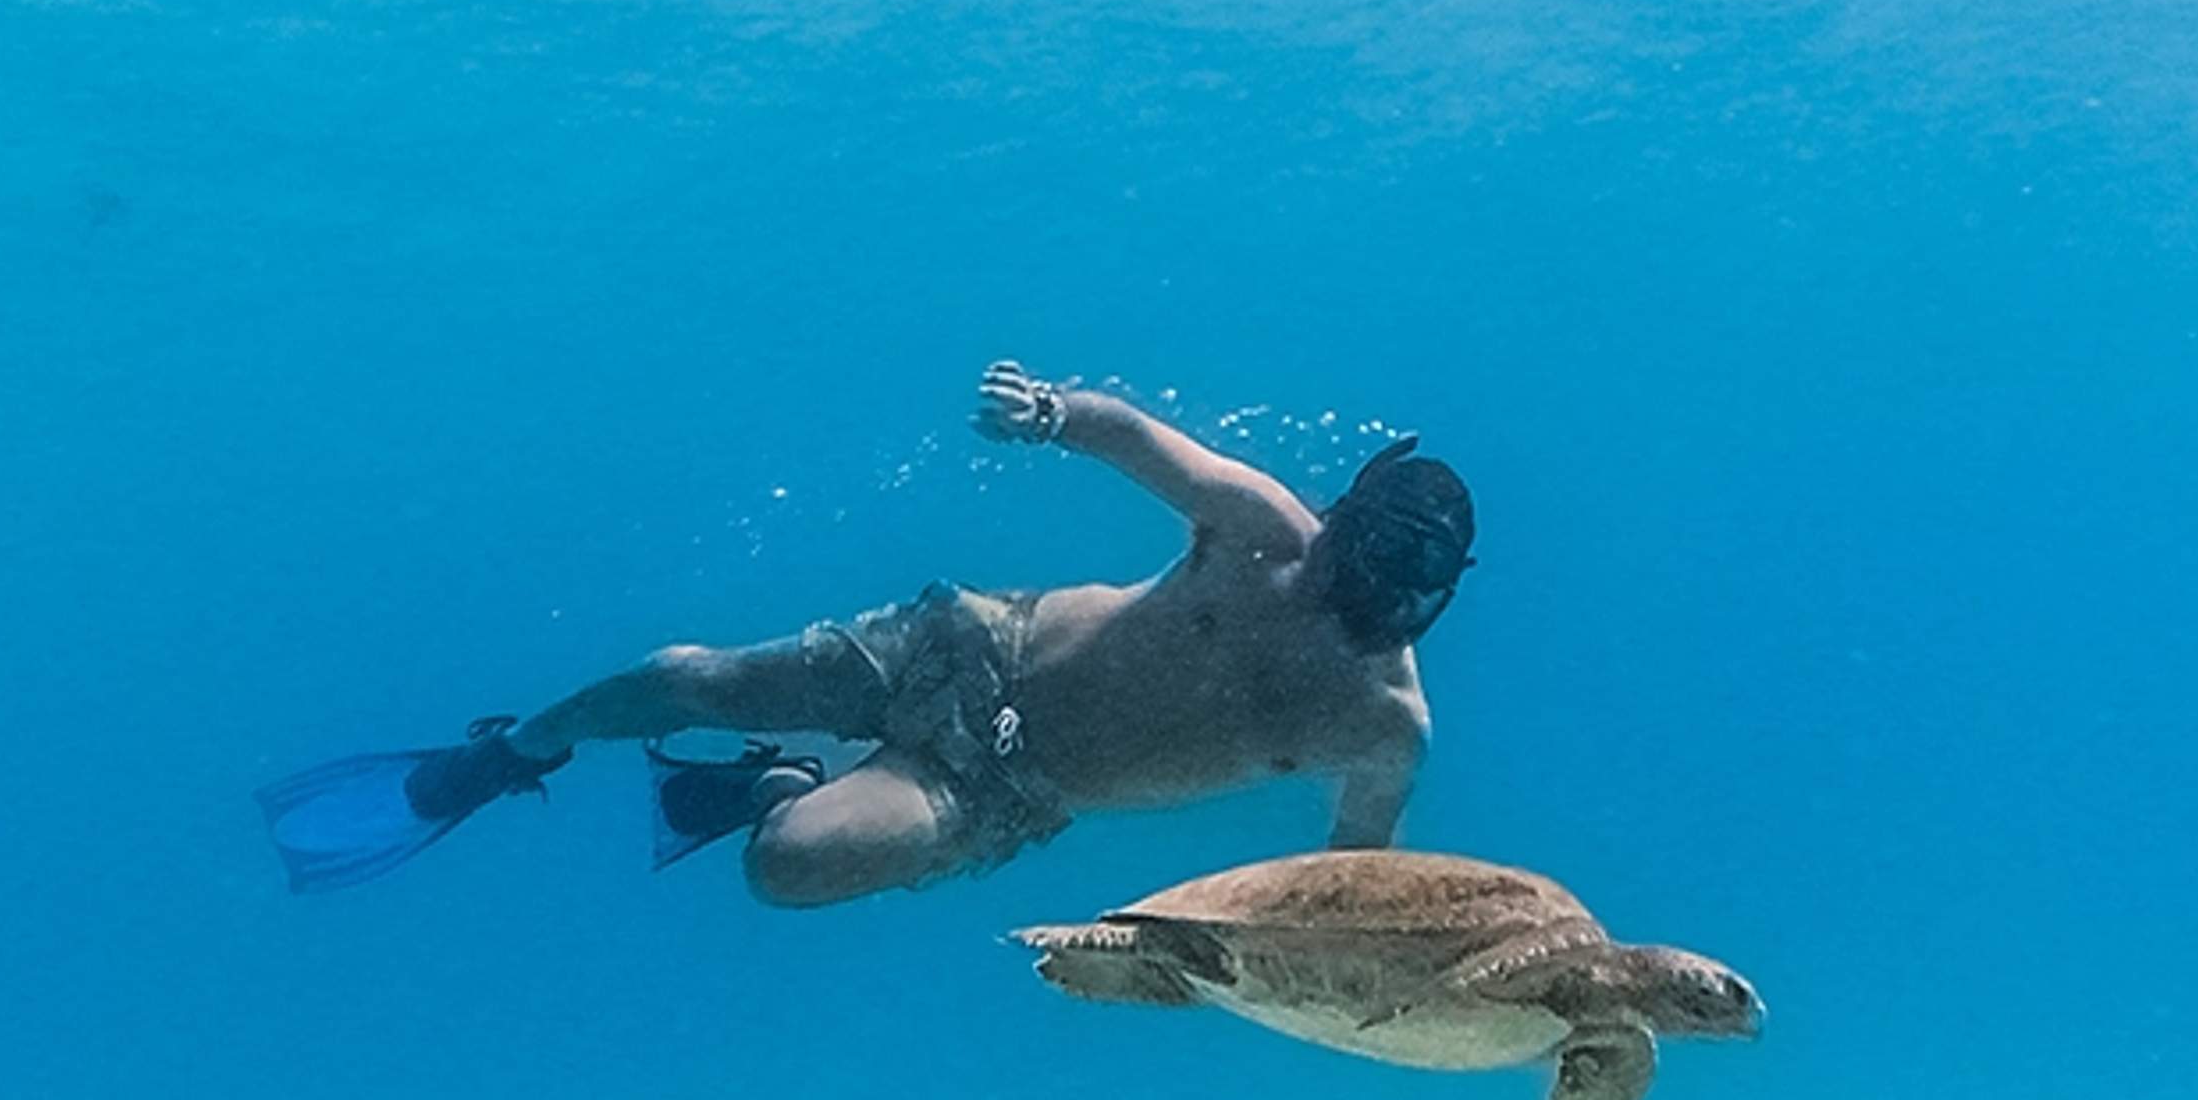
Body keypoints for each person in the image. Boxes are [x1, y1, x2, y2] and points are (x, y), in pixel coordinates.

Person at [258, 362, 1476, 907]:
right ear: (1341, 523)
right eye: (1347, 563)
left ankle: (775, 788)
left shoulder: (1380, 723)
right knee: (686, 674)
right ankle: (511, 751)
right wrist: (1048, 412)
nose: (1345, 596)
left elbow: (1351, 869)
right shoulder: (1266, 527)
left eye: (1391, 599)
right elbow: (1139, 437)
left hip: (1003, 786)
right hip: (966, 648)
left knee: (788, 868)